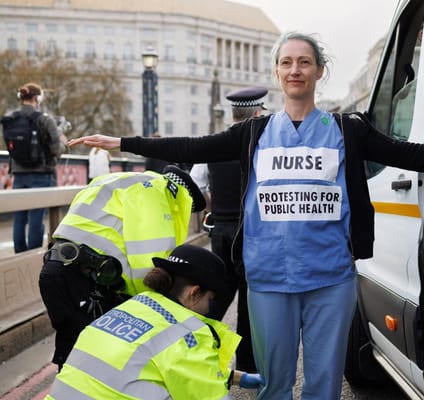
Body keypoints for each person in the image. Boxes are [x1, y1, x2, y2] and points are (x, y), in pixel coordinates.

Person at [69, 31, 424, 400]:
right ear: (277, 72)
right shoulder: (252, 133)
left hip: (329, 280)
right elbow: (191, 146)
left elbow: (409, 152)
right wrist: (122, 143)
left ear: (318, 73)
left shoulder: (346, 130)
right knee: (274, 386)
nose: (296, 70)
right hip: (269, 280)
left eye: (305, 62)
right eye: (287, 62)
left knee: (322, 387)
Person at [39, 165, 206, 372]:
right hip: (83, 279)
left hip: (58, 267)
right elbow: (147, 271)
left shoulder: (123, 181)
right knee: (92, 359)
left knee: (73, 348)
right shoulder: (155, 197)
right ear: (182, 198)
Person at [45, 243, 264, 399]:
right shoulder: (187, 334)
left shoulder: (133, 305)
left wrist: (235, 377)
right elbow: (201, 385)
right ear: (194, 293)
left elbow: (165, 364)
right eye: (210, 299)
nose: (209, 308)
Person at [190, 86, 268, 373]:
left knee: (214, 297)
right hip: (252, 234)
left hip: (221, 232)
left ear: (233, 113)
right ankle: (246, 366)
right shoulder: (262, 145)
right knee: (250, 304)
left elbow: (196, 185)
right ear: (258, 112)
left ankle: (197, 356)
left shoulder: (214, 144)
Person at [5, 82, 67, 253]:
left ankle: (19, 254)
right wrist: (63, 142)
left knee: (19, 217)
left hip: (18, 172)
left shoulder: (11, 118)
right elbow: (56, 150)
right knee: (36, 218)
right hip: (41, 173)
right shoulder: (44, 119)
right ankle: (32, 255)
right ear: (37, 98)